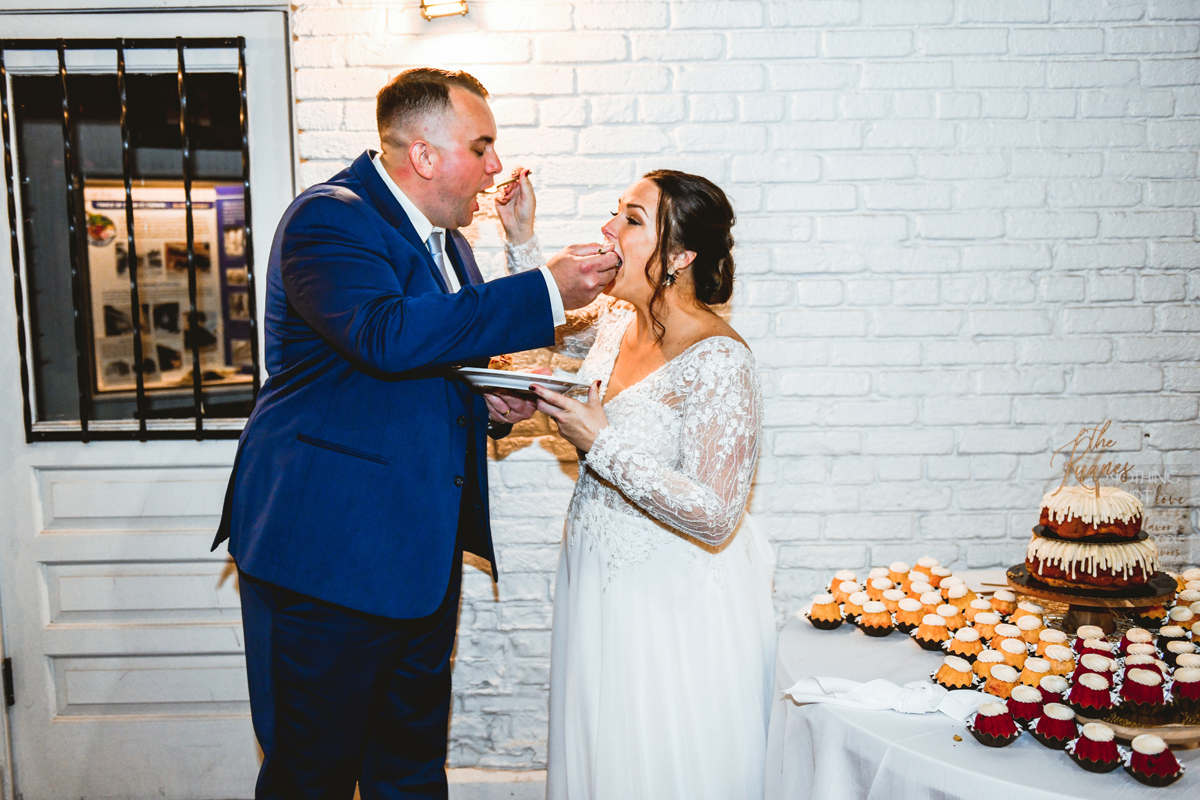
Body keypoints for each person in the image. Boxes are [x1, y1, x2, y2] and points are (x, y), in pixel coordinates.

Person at [210, 68, 619, 799]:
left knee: (410, 772)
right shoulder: (329, 219)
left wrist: (480, 400)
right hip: (328, 558)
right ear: (424, 155)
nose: (496, 167)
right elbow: (385, 336)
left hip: (419, 559)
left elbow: (425, 364)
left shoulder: (449, 245)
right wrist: (547, 288)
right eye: (482, 146)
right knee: (314, 774)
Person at [495, 169, 777, 800]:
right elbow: (543, 327)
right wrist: (521, 236)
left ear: (679, 256)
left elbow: (716, 514)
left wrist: (603, 443)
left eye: (631, 219)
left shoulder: (720, 360)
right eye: (615, 213)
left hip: (667, 597)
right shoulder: (617, 320)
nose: (608, 229)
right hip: (596, 576)